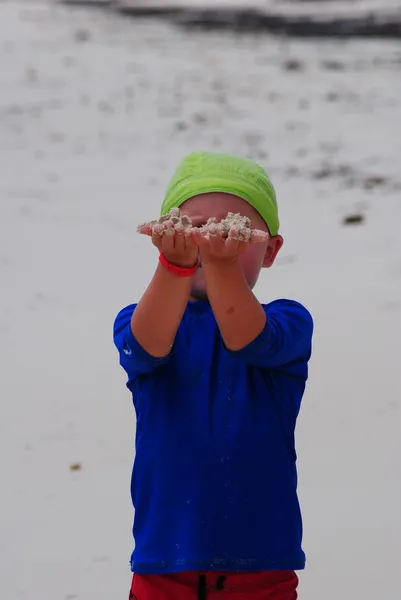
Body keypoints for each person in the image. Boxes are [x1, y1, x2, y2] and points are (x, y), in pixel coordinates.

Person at [113, 151, 314, 600]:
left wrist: (221, 266)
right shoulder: (141, 319)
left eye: (233, 232)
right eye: (196, 228)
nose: (211, 242)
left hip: (262, 561)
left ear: (271, 251)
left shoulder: (289, 323)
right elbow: (146, 346)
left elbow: (247, 338)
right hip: (163, 559)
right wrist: (174, 268)